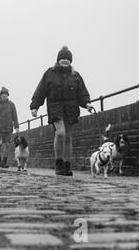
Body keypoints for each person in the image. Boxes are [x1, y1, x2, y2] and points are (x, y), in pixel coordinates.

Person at [30, 46, 94, 176]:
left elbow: (82, 93)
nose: (65, 60)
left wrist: (87, 104)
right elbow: (41, 90)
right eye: (62, 58)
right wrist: (35, 106)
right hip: (55, 109)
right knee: (60, 134)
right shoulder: (49, 73)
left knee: (68, 137)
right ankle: (58, 163)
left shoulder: (75, 75)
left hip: (71, 109)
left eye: (67, 59)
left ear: (70, 61)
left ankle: (67, 165)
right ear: (58, 60)